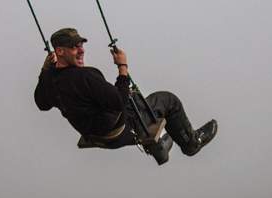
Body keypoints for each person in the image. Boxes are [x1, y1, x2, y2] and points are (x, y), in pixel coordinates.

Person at [34, 28, 218, 165]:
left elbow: (41, 103)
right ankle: (192, 144)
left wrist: (45, 70)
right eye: (74, 47)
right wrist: (122, 68)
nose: (81, 51)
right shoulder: (85, 76)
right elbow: (117, 102)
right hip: (117, 132)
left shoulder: (50, 80)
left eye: (81, 46)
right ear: (60, 52)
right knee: (167, 100)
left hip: (94, 133)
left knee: (137, 99)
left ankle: (160, 148)